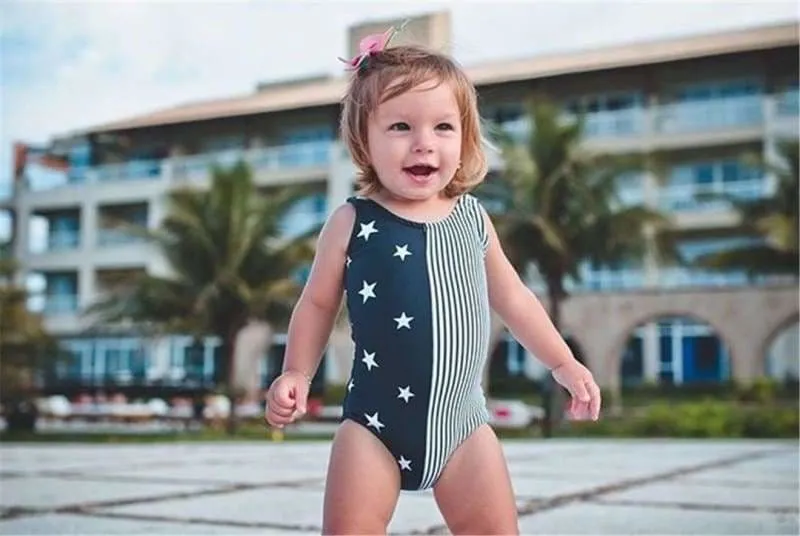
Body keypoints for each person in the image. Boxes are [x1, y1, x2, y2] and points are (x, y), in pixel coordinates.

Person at [265, 25, 602, 535]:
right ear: (364, 139)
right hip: (372, 427)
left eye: (443, 127)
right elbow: (315, 304)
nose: (424, 143)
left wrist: (563, 361)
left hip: (463, 426)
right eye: (400, 127)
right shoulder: (352, 221)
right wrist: (296, 373)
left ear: (464, 137)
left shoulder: (472, 218)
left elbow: (513, 298)